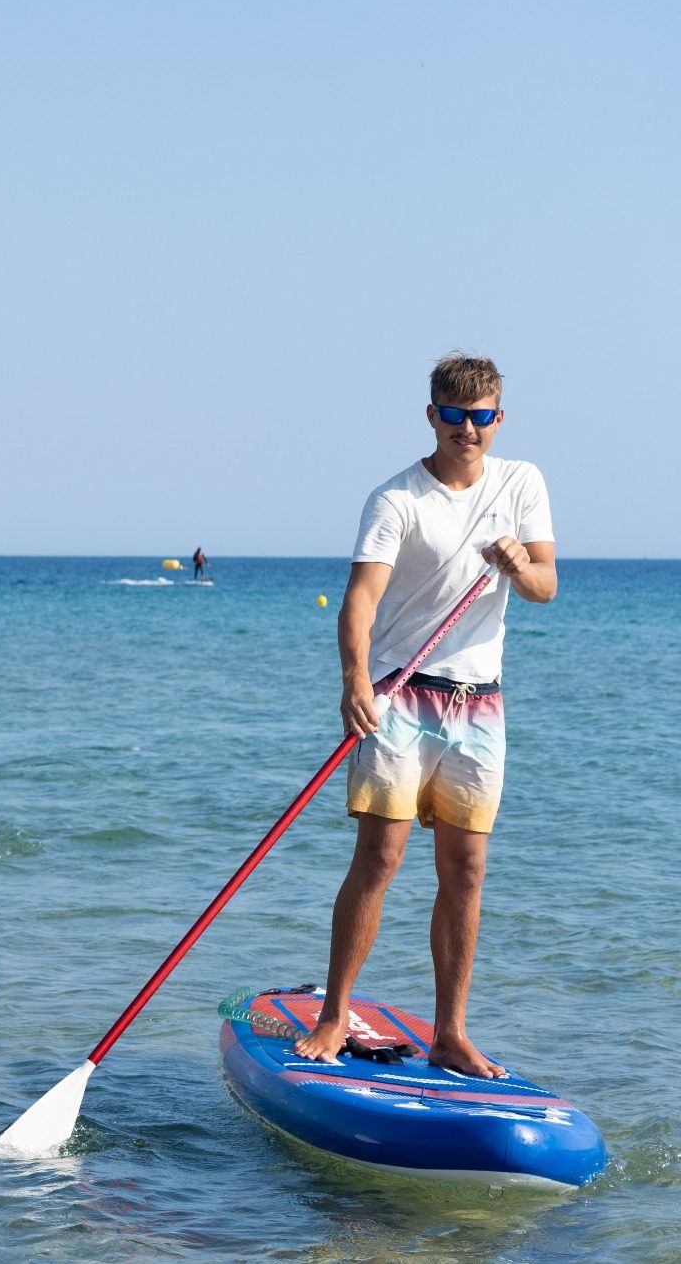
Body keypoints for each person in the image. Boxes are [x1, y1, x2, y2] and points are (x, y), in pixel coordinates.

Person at [291, 355, 555, 1077]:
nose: (467, 429)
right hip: (400, 697)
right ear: (432, 415)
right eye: (453, 415)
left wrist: (517, 565)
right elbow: (360, 601)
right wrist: (354, 680)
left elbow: (545, 585)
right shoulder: (396, 498)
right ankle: (334, 1014)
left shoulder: (522, 482)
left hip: (480, 703)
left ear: (498, 418)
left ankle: (451, 1032)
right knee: (379, 857)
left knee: (466, 870)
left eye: (481, 417)